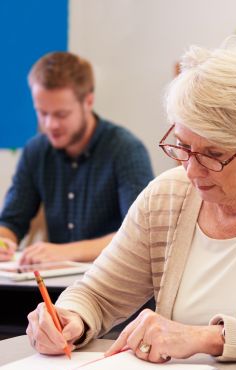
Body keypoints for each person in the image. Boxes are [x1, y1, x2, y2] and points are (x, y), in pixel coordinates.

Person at [26, 38, 236, 363]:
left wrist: (207, 338)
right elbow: (97, 294)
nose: (192, 170)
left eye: (214, 154)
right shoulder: (167, 195)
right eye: (183, 146)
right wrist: (69, 318)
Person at [0, 51, 154, 265]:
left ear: (88, 101)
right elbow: (11, 221)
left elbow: (139, 235)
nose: (50, 124)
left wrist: (65, 252)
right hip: (57, 286)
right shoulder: (36, 150)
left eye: (61, 114)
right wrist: (4, 242)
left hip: (114, 285)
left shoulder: (125, 149)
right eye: (42, 113)